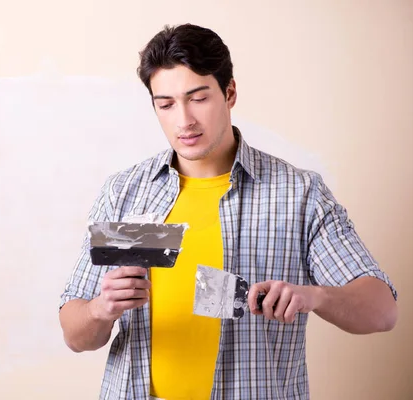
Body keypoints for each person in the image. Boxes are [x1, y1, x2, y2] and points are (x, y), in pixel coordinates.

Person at [58, 23, 398, 400]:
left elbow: (382, 311)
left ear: (229, 92)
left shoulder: (298, 194)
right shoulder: (126, 193)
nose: (183, 120)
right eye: (166, 104)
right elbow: (74, 334)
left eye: (198, 98)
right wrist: (100, 310)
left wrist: (314, 297)